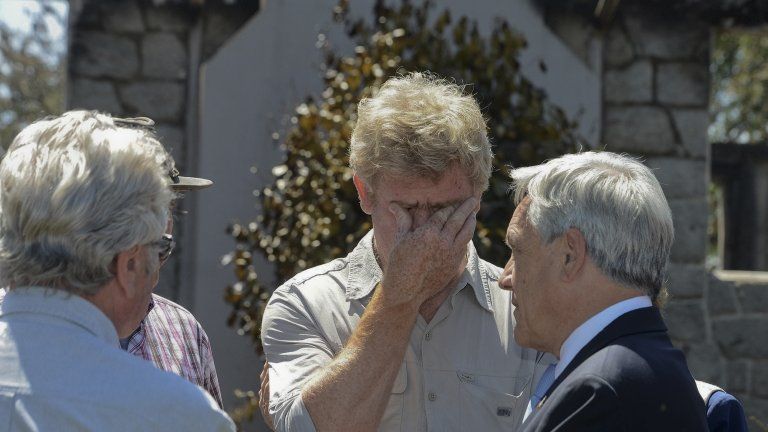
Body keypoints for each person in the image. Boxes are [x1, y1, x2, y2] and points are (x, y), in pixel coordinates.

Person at [260, 72, 550, 432]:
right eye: (408, 210)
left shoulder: (527, 307)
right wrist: (400, 292)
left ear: (478, 197)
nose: (426, 230)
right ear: (365, 194)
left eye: (445, 210)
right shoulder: (305, 304)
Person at [0, 110, 235, 431]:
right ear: (130, 264)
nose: (161, 260)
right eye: (159, 246)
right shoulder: (179, 416)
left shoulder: (184, 334)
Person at [500, 151, 707, 430]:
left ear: (569, 255)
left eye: (518, 251)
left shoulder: (599, 390)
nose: (506, 277)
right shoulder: (636, 367)